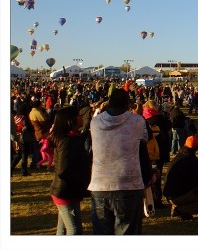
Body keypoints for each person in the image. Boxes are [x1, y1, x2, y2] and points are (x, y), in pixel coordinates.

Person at [88, 88, 149, 235]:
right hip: (128, 184)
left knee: (102, 232)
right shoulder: (137, 121)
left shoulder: (95, 123)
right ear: (128, 104)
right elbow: (145, 141)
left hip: (100, 183)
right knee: (127, 231)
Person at [49, 105, 91, 235]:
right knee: (74, 230)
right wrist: (80, 182)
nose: (81, 117)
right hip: (66, 191)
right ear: (70, 120)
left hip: (68, 190)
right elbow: (63, 170)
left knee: (62, 229)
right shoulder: (67, 141)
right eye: (78, 115)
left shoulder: (72, 138)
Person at [163, 135, 198, 220]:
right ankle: (182, 210)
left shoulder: (177, 157)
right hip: (178, 196)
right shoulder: (193, 161)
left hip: (169, 195)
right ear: (196, 148)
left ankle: (179, 208)